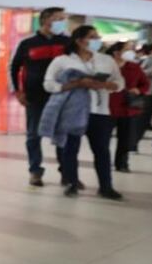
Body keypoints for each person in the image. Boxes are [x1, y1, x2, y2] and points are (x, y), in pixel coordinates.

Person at [44, 26, 124, 200]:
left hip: (100, 111)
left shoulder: (106, 60)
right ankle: (71, 183)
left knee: (102, 150)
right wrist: (76, 84)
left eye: (97, 36)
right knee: (70, 149)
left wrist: (109, 85)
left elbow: (119, 81)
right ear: (79, 41)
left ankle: (106, 187)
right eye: (92, 37)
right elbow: (48, 84)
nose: (97, 40)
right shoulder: (62, 60)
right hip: (73, 111)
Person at [10, 7, 70, 187]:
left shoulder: (68, 43)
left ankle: (66, 172)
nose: (62, 22)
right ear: (45, 20)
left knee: (62, 135)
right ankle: (35, 171)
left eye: (64, 19)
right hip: (34, 97)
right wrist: (18, 91)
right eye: (58, 18)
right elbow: (14, 67)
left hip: (61, 96)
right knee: (33, 135)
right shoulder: (27, 43)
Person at [106, 42, 149, 173]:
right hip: (107, 108)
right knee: (103, 139)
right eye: (127, 50)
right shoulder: (106, 66)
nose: (131, 52)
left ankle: (122, 163)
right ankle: (104, 163)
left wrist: (139, 90)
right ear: (116, 52)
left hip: (127, 108)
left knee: (125, 138)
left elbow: (145, 84)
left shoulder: (134, 67)